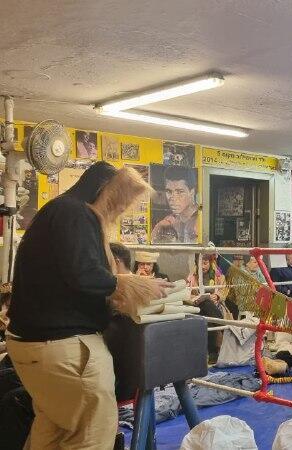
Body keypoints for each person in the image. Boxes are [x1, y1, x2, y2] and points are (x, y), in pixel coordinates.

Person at [6, 162, 171, 449]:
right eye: (120, 202)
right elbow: (84, 273)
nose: (121, 210)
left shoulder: (58, 211)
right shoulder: (76, 213)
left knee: (54, 430)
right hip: (65, 348)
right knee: (94, 432)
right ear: (105, 190)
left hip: (36, 347)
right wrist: (131, 285)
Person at [152, 166, 199, 243]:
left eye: (180, 192)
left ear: (192, 192)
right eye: (169, 191)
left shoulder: (202, 219)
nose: (173, 198)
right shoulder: (167, 222)